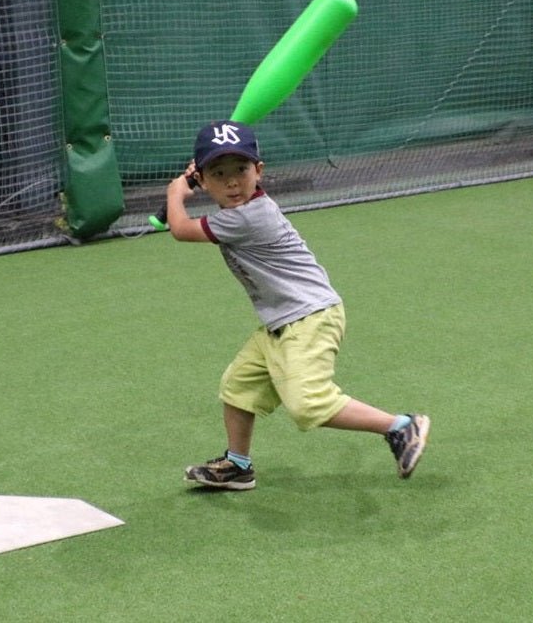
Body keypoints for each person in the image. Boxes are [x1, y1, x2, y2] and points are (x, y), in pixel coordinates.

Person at [166, 120, 429, 490]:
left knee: (308, 403)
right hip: (281, 321)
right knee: (238, 387)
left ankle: (400, 426)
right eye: (219, 173)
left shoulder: (249, 216)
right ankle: (238, 465)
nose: (232, 182)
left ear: (258, 171)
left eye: (241, 170)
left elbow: (180, 230)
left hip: (310, 316)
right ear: (204, 180)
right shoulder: (242, 209)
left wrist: (176, 192)